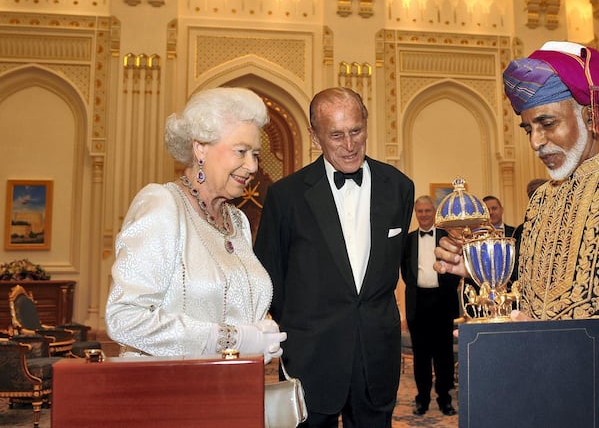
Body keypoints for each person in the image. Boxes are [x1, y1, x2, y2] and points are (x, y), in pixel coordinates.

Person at [434, 41, 599, 427]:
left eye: (547, 123)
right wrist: (479, 270)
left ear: (590, 113)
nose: (535, 142)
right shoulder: (542, 200)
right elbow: (530, 295)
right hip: (548, 399)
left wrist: (544, 346)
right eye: (528, 128)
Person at [254, 87, 414, 427]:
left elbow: (390, 269)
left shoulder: (399, 188)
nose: (350, 145)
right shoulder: (286, 197)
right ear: (315, 137)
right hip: (311, 357)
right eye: (336, 135)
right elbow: (270, 279)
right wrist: (306, 327)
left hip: (377, 357)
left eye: (356, 131)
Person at [106, 87, 286, 361]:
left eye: (256, 154)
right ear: (200, 147)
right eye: (241, 151)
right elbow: (124, 317)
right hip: (174, 392)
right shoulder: (163, 204)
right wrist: (231, 339)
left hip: (234, 390)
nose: (252, 167)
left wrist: (261, 335)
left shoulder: (237, 221)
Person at [400, 195, 460, 417]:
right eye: (420, 211)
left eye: (427, 210)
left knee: (443, 355)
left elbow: (455, 267)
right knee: (421, 356)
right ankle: (422, 399)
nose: (424, 214)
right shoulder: (407, 240)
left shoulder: (447, 238)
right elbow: (406, 272)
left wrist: (443, 287)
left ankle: (445, 399)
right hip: (418, 304)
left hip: (442, 302)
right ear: (416, 213)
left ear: (433, 212)